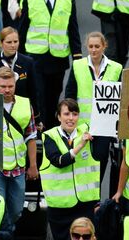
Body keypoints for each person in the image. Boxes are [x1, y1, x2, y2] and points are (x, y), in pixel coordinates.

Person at [19, 0, 81, 129]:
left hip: (58, 56)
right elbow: (23, 28)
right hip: (35, 56)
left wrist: (77, 55)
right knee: (38, 94)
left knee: (54, 95)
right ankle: (41, 128)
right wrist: (19, 56)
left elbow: (72, 27)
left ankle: (53, 130)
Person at [64, 31, 122, 197]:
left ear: (104, 46)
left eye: (97, 46)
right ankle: (85, 196)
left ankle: (95, 197)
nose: (94, 50)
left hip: (105, 126)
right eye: (90, 46)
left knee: (100, 159)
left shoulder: (116, 68)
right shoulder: (78, 65)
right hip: (82, 126)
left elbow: (121, 97)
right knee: (82, 161)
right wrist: (69, 119)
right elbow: (70, 94)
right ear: (86, 47)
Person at [40, 99, 99, 240]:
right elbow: (59, 161)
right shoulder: (49, 136)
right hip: (60, 206)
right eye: (67, 114)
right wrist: (80, 146)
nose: (71, 118)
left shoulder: (87, 131)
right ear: (59, 116)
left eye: (75, 114)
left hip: (84, 203)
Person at [0, 66, 37, 227]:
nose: (7, 90)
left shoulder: (25, 104)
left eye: (10, 86)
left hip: (18, 167)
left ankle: (6, 230)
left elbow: (31, 136)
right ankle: (3, 235)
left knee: (17, 209)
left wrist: (33, 166)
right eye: (3, 86)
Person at [0, 27, 37, 108]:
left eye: (16, 41)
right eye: (9, 42)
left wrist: (36, 117)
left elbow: (33, 91)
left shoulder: (28, 62)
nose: (13, 45)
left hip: (22, 109)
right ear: (1, 43)